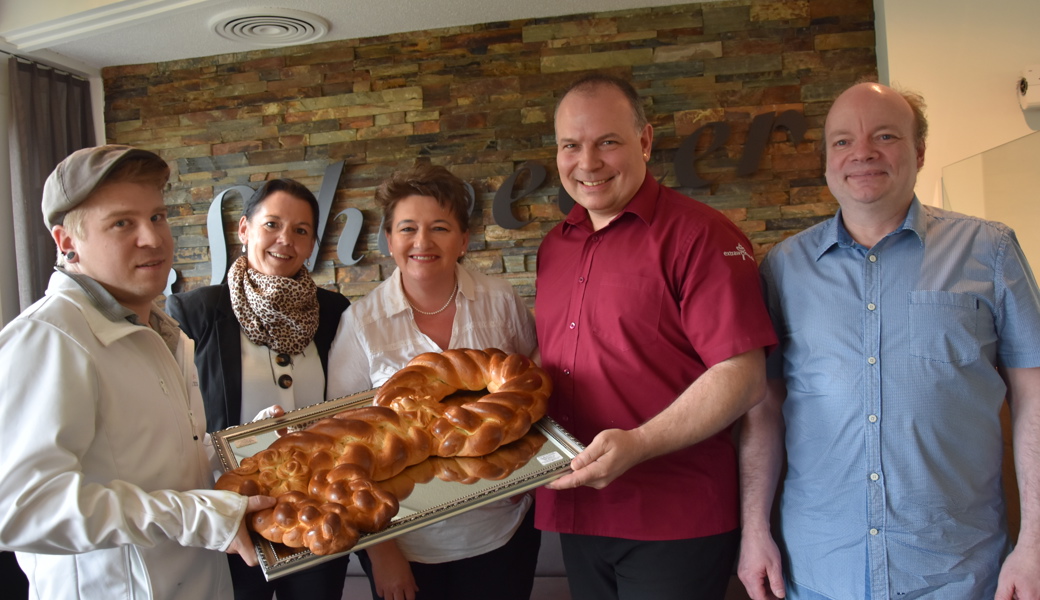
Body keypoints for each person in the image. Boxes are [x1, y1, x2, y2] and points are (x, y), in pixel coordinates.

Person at [737, 82, 1040, 600]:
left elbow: (1034, 397)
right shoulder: (783, 268)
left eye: (885, 136)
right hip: (819, 571)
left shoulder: (989, 250)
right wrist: (754, 530)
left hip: (956, 573)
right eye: (842, 141)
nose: (862, 153)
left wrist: (1033, 543)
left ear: (919, 152)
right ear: (826, 161)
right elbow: (764, 408)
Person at [534, 73, 777, 600]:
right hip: (575, 510)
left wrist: (640, 443)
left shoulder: (701, 235)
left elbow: (743, 375)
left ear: (644, 141)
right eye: (570, 145)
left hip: (673, 516)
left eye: (607, 142)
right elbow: (555, 358)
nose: (587, 163)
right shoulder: (555, 246)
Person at [0, 145, 273, 599]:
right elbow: (19, 508)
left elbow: (165, 459)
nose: (153, 238)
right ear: (66, 242)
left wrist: (244, 446)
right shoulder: (47, 338)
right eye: (122, 223)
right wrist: (193, 517)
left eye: (157, 217)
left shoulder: (162, 331)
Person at [326, 162, 541, 600]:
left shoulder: (499, 301)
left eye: (439, 228)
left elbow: (530, 387)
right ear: (390, 240)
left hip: (503, 530)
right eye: (408, 228)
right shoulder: (362, 324)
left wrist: (529, 473)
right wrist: (383, 554)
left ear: (463, 240)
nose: (422, 242)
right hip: (408, 546)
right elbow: (342, 448)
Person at [166, 178, 352, 600]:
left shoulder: (334, 311)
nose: (286, 239)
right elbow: (176, 420)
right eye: (272, 224)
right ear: (244, 229)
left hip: (318, 511)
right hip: (233, 517)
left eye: (301, 230)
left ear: (312, 244)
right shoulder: (197, 312)